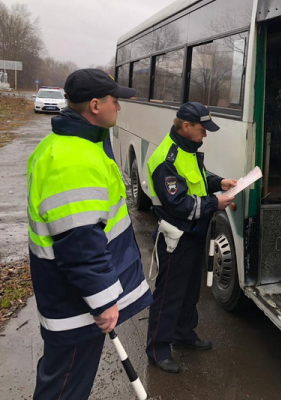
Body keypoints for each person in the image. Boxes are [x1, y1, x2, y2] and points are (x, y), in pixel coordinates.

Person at [27, 69, 153, 399]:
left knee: (61, 379)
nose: (119, 107)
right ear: (95, 105)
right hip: (76, 304)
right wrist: (102, 301)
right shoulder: (75, 160)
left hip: (70, 295)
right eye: (115, 101)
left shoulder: (67, 146)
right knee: (65, 387)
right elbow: (79, 242)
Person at [145, 102, 236, 373]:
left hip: (193, 235)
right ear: (186, 126)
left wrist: (220, 183)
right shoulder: (166, 160)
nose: (205, 134)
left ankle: (183, 334)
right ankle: (158, 349)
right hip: (176, 237)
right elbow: (180, 205)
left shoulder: (186, 150)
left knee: (189, 291)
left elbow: (198, 178)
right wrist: (215, 203)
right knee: (169, 295)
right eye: (202, 129)